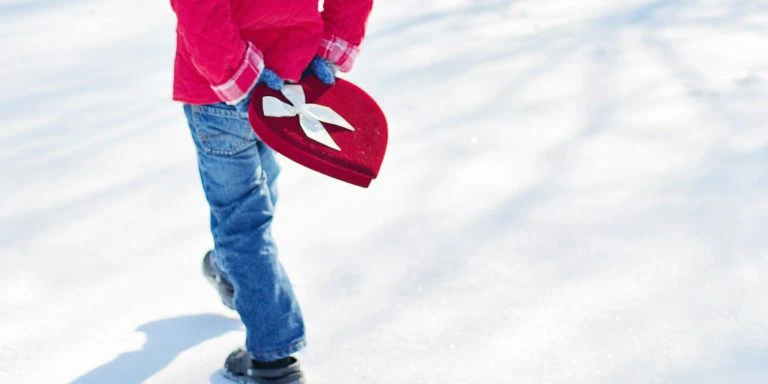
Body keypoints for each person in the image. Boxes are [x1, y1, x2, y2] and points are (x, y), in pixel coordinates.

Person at [169, 1, 373, 382]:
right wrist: (329, 46)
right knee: (254, 199)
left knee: (242, 223)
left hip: (225, 88)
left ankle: (272, 357)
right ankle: (234, 269)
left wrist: (238, 74)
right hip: (285, 76)